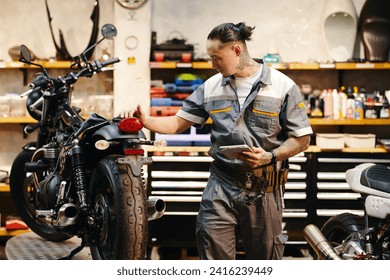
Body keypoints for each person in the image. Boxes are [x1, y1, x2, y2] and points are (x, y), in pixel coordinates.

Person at [122, 22, 312, 260]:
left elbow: (302, 139)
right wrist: (147, 120)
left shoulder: (282, 86)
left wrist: (270, 156)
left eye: (216, 57)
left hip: (264, 189)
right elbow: (177, 123)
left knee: (265, 261)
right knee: (212, 255)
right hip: (221, 185)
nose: (212, 64)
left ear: (236, 50)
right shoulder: (210, 87)